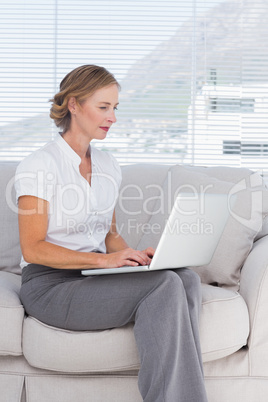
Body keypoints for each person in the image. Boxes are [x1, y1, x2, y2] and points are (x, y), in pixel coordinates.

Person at [15, 65, 208, 402]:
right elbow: (33, 249)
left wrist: (135, 258)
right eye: (103, 107)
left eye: (114, 108)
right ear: (74, 105)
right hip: (50, 285)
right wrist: (105, 261)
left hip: (93, 277)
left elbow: (111, 235)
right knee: (163, 286)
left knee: (185, 279)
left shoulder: (108, 165)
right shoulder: (39, 165)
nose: (112, 117)